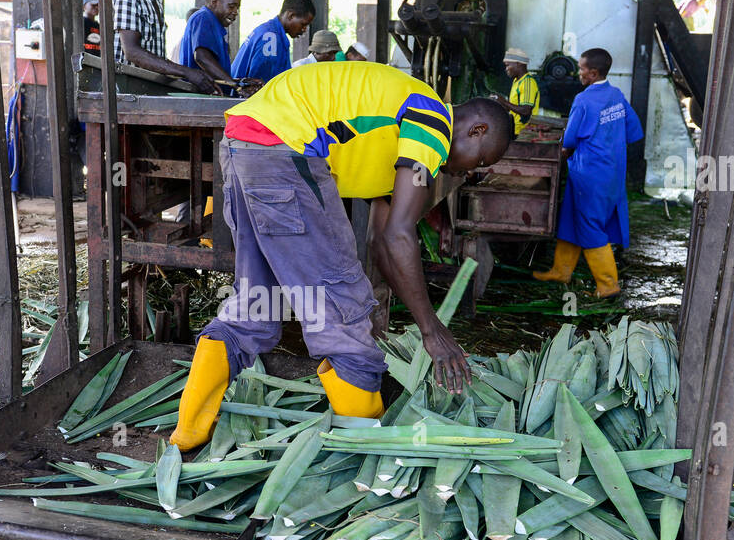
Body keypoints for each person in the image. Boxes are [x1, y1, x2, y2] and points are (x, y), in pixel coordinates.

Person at [168, 61, 515, 451]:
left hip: (244, 145)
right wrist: (433, 332)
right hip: (287, 147)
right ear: (476, 130)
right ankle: (366, 449)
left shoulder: (396, 140)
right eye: (481, 160)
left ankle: (188, 433)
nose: (471, 172)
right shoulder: (433, 118)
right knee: (343, 304)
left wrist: (426, 324)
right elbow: (400, 236)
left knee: (256, 306)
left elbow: (384, 243)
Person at [533, 47, 643, 298]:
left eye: (581, 68)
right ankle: (561, 271)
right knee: (572, 217)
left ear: (592, 73)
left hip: (589, 173)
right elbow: (634, 131)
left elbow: (570, 138)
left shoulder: (583, 100)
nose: (578, 72)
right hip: (611, 171)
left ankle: (608, 285)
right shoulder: (616, 95)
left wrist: (565, 150)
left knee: (590, 225)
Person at [178, 0, 253, 91]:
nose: (236, 12)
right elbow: (202, 57)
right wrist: (235, 86)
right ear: (214, 2)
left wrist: (241, 82)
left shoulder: (216, 27)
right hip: (200, 98)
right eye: (231, 6)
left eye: (237, 8)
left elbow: (218, 77)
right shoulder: (203, 17)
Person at [231, 0, 315, 84]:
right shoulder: (271, 37)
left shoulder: (270, 31)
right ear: (291, 16)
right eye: (303, 24)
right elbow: (260, 83)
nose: (304, 29)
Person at [492, 47, 539, 135]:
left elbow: (526, 110)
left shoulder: (528, 82)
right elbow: (513, 107)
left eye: (508, 65)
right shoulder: (516, 81)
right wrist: (498, 102)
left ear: (518, 64)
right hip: (514, 128)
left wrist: (504, 101)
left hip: (523, 132)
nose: (506, 69)